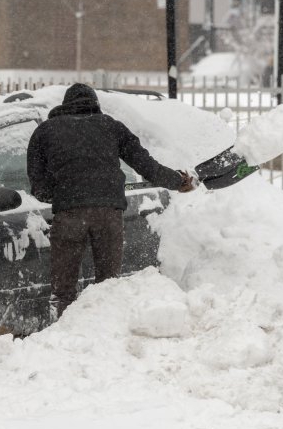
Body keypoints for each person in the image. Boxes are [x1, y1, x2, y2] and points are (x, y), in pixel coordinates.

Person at [27, 83, 195, 319]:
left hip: (69, 216)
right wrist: (178, 181)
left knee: (63, 289)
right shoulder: (111, 127)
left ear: (65, 105)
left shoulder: (44, 132)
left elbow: (38, 186)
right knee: (108, 285)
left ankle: (62, 335)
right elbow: (147, 166)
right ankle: (107, 329)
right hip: (108, 214)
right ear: (94, 104)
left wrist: (65, 194)